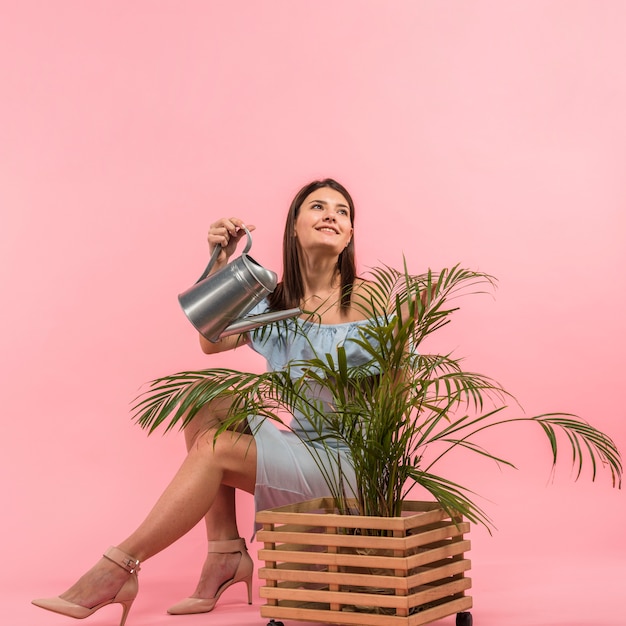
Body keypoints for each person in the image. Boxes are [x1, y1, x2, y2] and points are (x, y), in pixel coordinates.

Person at [32, 178, 379, 626]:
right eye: (318, 206)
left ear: (350, 234)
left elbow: (396, 386)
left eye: (343, 211)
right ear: (294, 226)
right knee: (207, 404)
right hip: (306, 446)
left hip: (352, 464)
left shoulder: (365, 297)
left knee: (215, 447)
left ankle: (119, 566)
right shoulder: (277, 300)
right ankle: (225, 554)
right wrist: (220, 260)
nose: (332, 215)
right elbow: (210, 339)